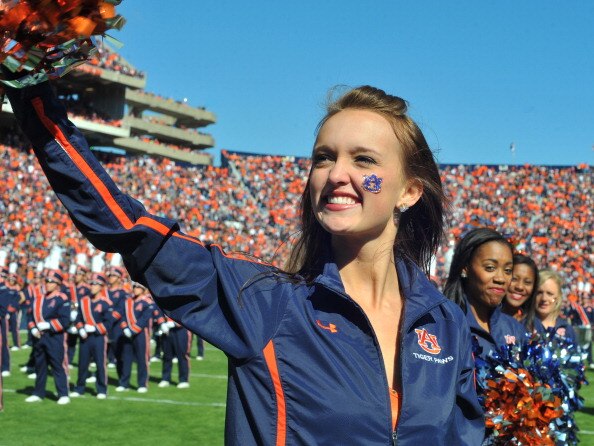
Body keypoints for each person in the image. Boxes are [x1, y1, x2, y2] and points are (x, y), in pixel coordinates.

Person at [5, 82, 483, 444]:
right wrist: (31, 91)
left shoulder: (445, 324)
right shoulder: (265, 301)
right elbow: (122, 227)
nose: (337, 174)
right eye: (323, 158)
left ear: (410, 190)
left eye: (363, 161)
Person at [443, 228, 527, 359]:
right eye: (490, 268)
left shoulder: (515, 329)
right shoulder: (444, 325)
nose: (500, 278)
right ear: (465, 268)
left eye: (508, 270)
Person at [24, 269, 71, 404]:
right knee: (40, 365)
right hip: (39, 337)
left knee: (57, 365)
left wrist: (49, 325)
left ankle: (63, 394)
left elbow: (65, 320)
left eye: (51, 281)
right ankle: (38, 392)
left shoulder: (62, 298)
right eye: (47, 281)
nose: (48, 283)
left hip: (54, 337)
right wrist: (33, 327)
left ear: (58, 284)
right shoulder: (38, 298)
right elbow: (30, 315)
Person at [70, 272, 112, 399]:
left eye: (96, 284)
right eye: (91, 284)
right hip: (84, 337)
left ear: (101, 286)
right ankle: (80, 388)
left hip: (99, 337)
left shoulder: (106, 303)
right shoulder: (84, 301)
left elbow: (108, 323)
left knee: (100, 363)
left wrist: (94, 328)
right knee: (82, 363)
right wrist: (80, 328)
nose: (92, 287)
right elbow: (78, 319)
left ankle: (102, 389)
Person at [524, 269, 576, 343]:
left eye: (549, 293)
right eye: (539, 292)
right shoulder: (523, 326)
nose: (544, 298)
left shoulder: (567, 330)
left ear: (558, 297)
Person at [501, 254, 539, 321]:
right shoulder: (484, 320)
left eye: (527, 282)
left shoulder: (536, 327)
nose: (520, 287)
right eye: (514, 279)